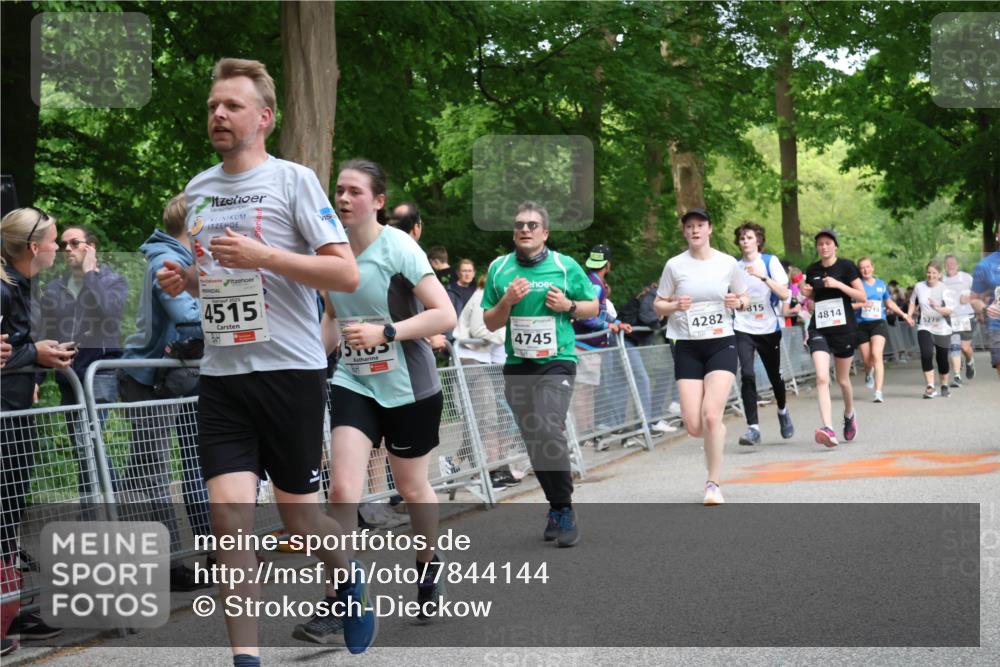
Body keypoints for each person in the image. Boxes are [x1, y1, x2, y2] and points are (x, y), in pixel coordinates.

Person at [155, 58, 371, 663]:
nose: (218, 115)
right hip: (223, 378)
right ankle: (244, 660)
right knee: (231, 529)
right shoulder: (197, 190)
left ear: (265, 117)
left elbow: (342, 270)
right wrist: (189, 281)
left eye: (232, 106)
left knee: (299, 519)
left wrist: (263, 254)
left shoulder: (294, 181)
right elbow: (223, 281)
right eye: (212, 106)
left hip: (290, 374)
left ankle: (348, 579)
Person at [295, 159, 455, 644]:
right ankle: (338, 600)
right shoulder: (329, 254)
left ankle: (427, 567)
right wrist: (302, 365)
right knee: (342, 490)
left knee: (412, 488)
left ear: (379, 201)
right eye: (337, 191)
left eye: (354, 192)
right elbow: (330, 318)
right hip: (354, 381)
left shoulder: (399, 247)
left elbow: (444, 314)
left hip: (410, 387)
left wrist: (387, 331)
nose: (342, 199)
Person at [482, 201, 599, 546]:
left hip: (557, 360)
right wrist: (507, 301)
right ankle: (555, 505)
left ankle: (564, 508)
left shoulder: (565, 266)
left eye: (533, 225)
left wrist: (569, 307)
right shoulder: (500, 269)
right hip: (519, 365)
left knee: (548, 427)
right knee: (534, 439)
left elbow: (592, 306)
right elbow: (490, 321)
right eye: (519, 225)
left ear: (545, 233)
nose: (525, 230)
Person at [119, 193, 212, 591]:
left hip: (181, 377)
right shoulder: (165, 260)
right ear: (194, 226)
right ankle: (169, 564)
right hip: (149, 381)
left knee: (198, 464)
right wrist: (237, 311)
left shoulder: (188, 259)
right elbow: (187, 318)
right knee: (151, 473)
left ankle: (216, 550)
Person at [1, 207, 76, 653]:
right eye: (51, 241)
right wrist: (37, 355)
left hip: (16, 415)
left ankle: (9, 605)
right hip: (3, 420)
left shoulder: (24, 286)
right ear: (33, 248)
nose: (56, 248)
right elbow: (10, 352)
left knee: (11, 512)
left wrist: (35, 364)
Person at [654, 207, 749, 505]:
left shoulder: (727, 263)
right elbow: (658, 305)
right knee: (694, 425)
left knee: (711, 415)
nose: (695, 230)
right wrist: (675, 307)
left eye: (700, 225)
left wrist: (738, 302)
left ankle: (713, 483)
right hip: (687, 345)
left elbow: (745, 297)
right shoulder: (674, 265)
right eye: (689, 226)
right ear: (684, 232)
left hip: (722, 342)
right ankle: (713, 437)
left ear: (709, 229)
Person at [36, 224, 127, 516]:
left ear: (91, 247)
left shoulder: (112, 281)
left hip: (98, 375)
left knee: (87, 440)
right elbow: (45, 333)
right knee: (84, 445)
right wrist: (37, 378)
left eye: (75, 243)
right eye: (63, 244)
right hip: (68, 375)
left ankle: (98, 510)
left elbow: (109, 313)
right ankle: (102, 506)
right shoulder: (55, 288)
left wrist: (90, 275)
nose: (67, 249)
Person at [799, 229, 867, 448]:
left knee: (842, 380)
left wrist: (838, 285)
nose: (824, 247)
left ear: (835, 246)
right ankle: (827, 427)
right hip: (819, 327)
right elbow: (812, 300)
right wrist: (807, 294)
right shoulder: (812, 269)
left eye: (828, 243)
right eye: (820, 244)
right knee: (821, 377)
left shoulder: (846, 267)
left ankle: (849, 413)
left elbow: (862, 296)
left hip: (843, 329)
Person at [453, 274, 520, 488]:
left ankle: (464, 464)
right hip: (472, 360)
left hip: (488, 362)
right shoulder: (483, 296)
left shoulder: (497, 300)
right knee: (486, 417)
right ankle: (487, 471)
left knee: (495, 416)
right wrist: (508, 334)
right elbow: (480, 330)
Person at [731, 221, 794, 446]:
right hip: (743, 327)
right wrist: (736, 302)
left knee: (775, 376)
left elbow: (785, 294)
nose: (745, 241)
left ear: (758, 240)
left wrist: (764, 277)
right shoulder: (735, 267)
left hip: (768, 327)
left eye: (749, 237)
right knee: (747, 374)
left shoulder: (770, 262)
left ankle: (783, 410)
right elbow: (733, 297)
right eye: (741, 238)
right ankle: (753, 428)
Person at [619, 282, 677, 436]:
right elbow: (648, 316)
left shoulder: (659, 296)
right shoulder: (655, 295)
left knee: (646, 379)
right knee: (641, 380)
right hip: (624, 340)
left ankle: (648, 422)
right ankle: (642, 426)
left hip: (634, 341)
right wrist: (660, 321)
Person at [852, 257, 912, 403]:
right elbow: (849, 305)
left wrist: (903, 314)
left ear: (873, 268)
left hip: (879, 322)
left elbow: (889, 301)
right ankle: (868, 372)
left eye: (868, 267)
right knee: (867, 360)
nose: (865, 270)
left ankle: (878, 392)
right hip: (861, 324)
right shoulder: (856, 285)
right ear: (859, 270)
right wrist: (862, 305)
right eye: (862, 268)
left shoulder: (881, 284)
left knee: (876, 354)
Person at [907, 260, 956, 398]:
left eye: (934, 273)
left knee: (942, 358)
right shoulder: (919, 286)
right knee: (926, 354)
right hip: (924, 326)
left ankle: (944, 385)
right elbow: (912, 302)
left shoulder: (945, 289)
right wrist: (909, 315)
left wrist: (937, 307)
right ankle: (930, 386)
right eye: (929, 272)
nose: (931, 275)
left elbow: (949, 311)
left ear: (939, 274)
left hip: (942, 328)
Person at [942, 254, 977, 385]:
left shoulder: (966, 277)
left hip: (966, 316)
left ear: (957, 265)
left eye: (953, 263)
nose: (950, 265)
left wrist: (968, 299)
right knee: (954, 346)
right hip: (950, 318)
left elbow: (978, 293)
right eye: (948, 263)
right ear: (945, 266)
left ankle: (970, 361)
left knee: (965, 347)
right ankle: (957, 377)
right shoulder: (942, 281)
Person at [970, 224, 1000, 379]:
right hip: (997, 326)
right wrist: (985, 309)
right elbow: (973, 298)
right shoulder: (985, 265)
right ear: (997, 236)